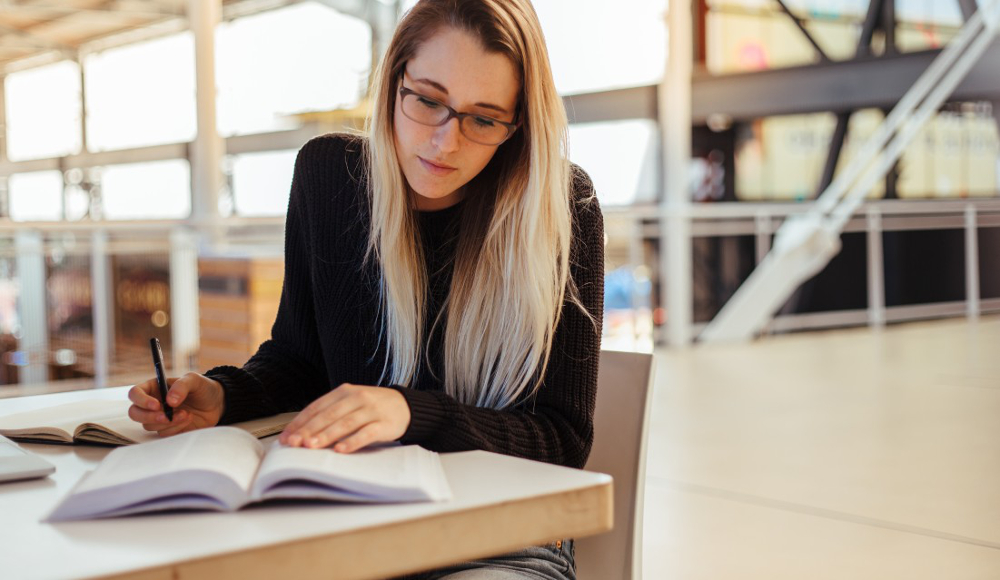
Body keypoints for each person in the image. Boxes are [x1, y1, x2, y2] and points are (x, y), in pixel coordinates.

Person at [127, 0, 604, 577]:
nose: (445, 142)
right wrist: (228, 395)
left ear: (519, 124)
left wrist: (411, 413)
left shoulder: (560, 209)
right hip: (347, 519)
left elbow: (561, 438)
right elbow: (301, 360)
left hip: (500, 537)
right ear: (393, 82)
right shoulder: (330, 177)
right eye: (427, 100)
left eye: (483, 119)